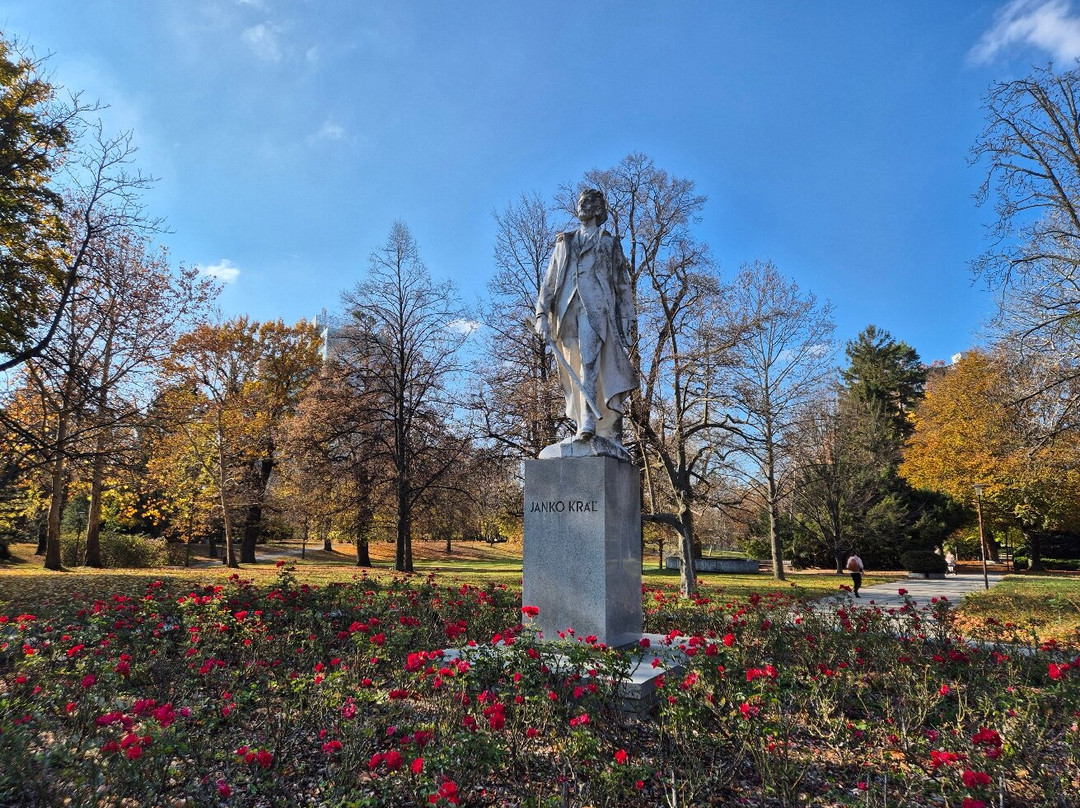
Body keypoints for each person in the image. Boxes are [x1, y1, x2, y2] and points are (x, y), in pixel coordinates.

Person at [534, 189, 636, 450]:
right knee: (574, 365)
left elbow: (622, 285)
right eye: (580, 201)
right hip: (567, 310)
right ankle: (582, 419)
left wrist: (627, 321)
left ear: (599, 209)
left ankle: (588, 423)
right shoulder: (565, 242)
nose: (582, 204)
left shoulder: (609, 243)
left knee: (589, 363)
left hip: (596, 309)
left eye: (589, 201)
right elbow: (549, 282)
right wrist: (541, 315)